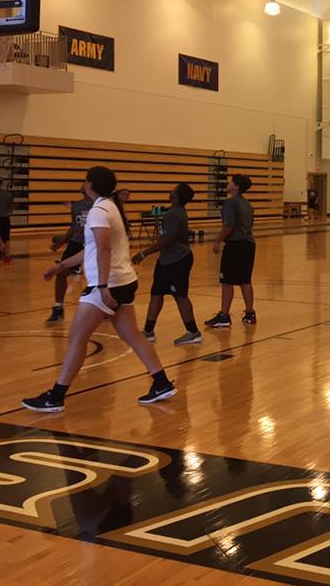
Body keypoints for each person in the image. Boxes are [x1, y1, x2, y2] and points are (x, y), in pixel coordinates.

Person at [22, 166, 176, 412]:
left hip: (107, 285)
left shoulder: (99, 210)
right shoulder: (110, 206)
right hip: (124, 281)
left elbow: (103, 249)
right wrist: (60, 266)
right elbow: (93, 249)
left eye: (85, 180)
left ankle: (56, 396)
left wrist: (103, 286)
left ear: (90, 184)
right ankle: (161, 382)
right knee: (132, 334)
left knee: (77, 338)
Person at [133, 183, 202, 346]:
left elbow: (166, 241)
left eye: (173, 191)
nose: (170, 193)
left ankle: (193, 332)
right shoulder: (176, 212)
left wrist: (144, 253)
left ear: (177, 197)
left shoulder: (174, 214)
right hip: (166, 260)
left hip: (177, 260)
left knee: (180, 296)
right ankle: (148, 331)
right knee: (156, 293)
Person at [206, 174, 256, 328]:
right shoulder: (247, 204)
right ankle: (250, 313)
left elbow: (228, 225)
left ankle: (224, 315)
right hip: (249, 244)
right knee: (245, 280)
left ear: (237, 186)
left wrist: (217, 240)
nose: (228, 183)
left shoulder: (230, 203)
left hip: (235, 245)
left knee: (227, 281)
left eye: (231, 181)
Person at [46, 185, 92, 324]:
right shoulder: (76, 206)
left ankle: (104, 307)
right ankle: (58, 308)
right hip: (76, 243)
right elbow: (73, 226)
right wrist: (62, 242)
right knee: (61, 273)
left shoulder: (100, 204)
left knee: (98, 277)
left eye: (86, 183)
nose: (83, 185)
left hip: (93, 243)